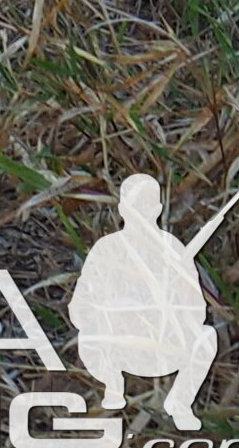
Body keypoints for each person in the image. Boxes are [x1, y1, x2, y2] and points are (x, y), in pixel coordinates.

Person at [71, 175, 221, 428]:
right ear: (121, 209)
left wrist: (170, 307)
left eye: (146, 207)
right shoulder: (106, 249)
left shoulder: (173, 249)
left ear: (158, 209)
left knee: (207, 337)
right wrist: (114, 315)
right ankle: (114, 389)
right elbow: (80, 306)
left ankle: (180, 404)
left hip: (167, 348)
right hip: (117, 347)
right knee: (87, 337)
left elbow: (198, 309)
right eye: (134, 207)